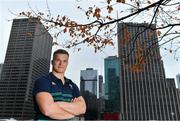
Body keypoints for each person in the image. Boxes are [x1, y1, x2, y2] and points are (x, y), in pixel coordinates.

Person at [33, 49, 86, 120]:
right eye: (58, 60)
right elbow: (47, 110)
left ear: (67, 63)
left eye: (64, 61)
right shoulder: (43, 81)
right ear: (52, 62)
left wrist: (57, 105)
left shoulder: (72, 85)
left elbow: (82, 109)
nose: (61, 64)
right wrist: (73, 111)